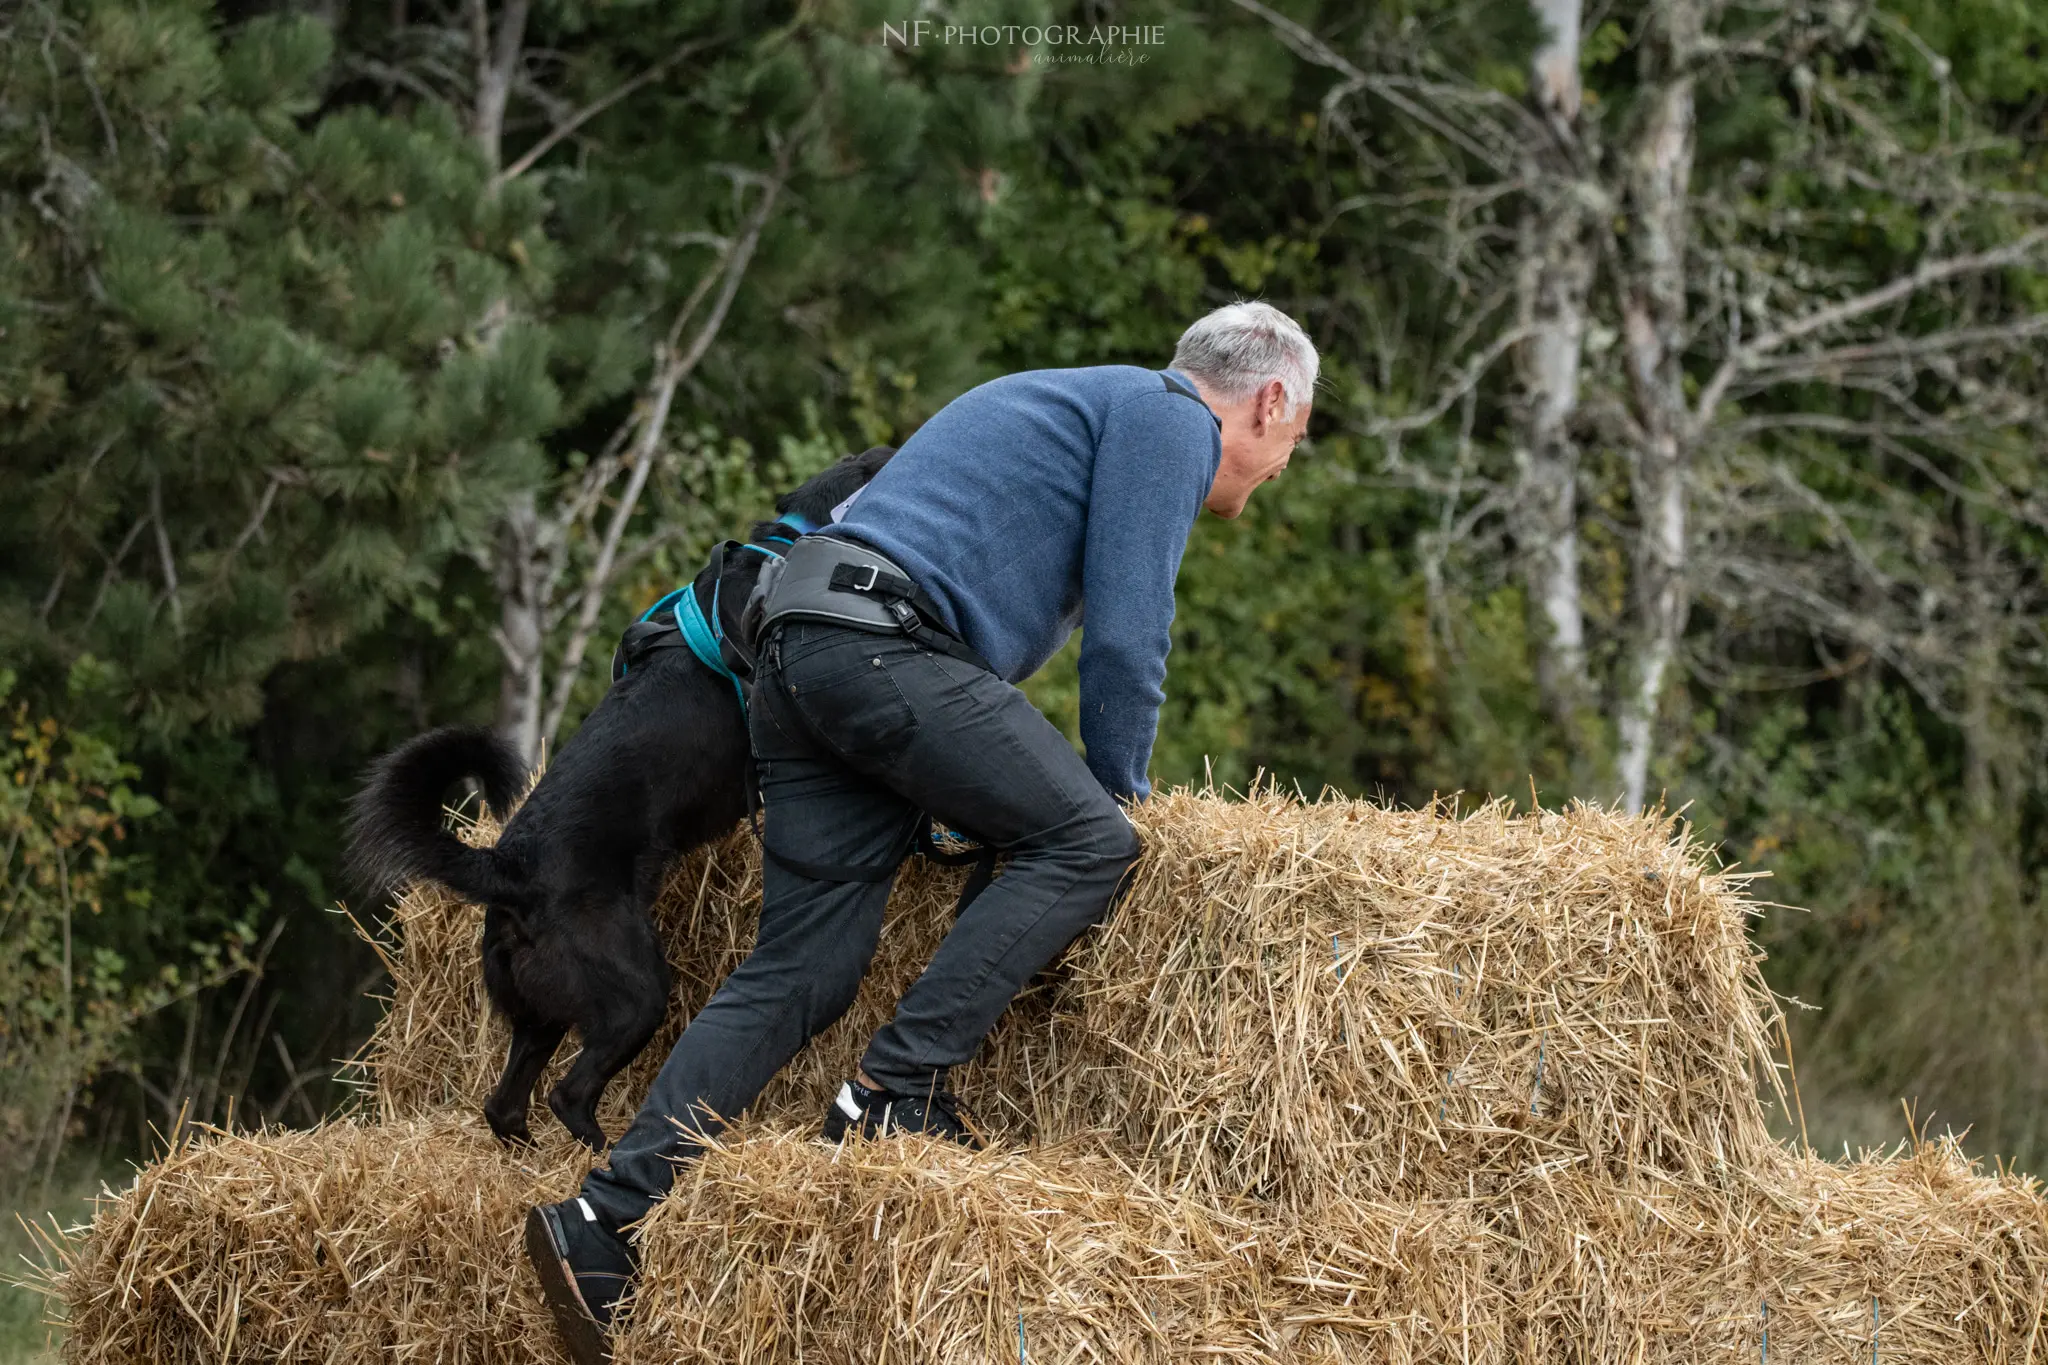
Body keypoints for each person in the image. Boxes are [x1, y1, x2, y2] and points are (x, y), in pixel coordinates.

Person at [524, 301, 1318, 1364]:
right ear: (1268, 400)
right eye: (1293, 439)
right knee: (1087, 842)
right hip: (877, 642)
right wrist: (1119, 797)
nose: (1277, 468)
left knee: (802, 966)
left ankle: (603, 1222)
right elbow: (1129, 638)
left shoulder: (1073, 400)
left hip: (800, 644)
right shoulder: (1167, 416)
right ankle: (890, 1094)